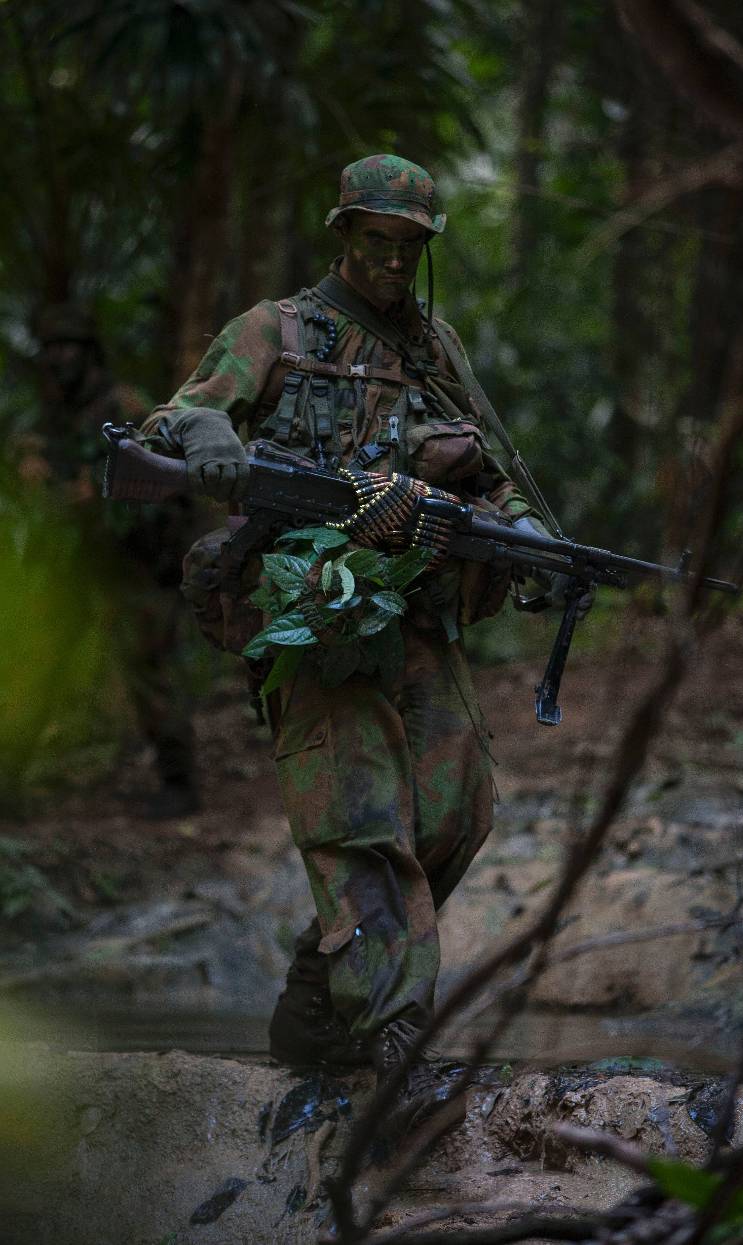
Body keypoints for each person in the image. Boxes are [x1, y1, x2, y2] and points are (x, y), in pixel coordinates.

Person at [142, 155, 582, 1128]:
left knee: (456, 809)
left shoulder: (435, 350)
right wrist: (205, 433)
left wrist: (532, 540)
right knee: (358, 821)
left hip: (417, 614)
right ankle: (396, 1046)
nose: (389, 260)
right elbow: (181, 417)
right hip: (317, 617)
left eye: (407, 244)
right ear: (342, 235)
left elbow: (490, 474)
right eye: (373, 239)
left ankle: (317, 991)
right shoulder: (277, 330)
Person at [26, 304, 200, 819]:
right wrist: (29, 456)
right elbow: (35, 442)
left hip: (138, 564)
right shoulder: (59, 407)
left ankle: (179, 783)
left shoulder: (123, 403)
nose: (59, 359)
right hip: (82, 562)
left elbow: (167, 473)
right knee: (40, 661)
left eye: (69, 349)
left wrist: (102, 491)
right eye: (52, 349)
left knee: (150, 672)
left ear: (88, 354)